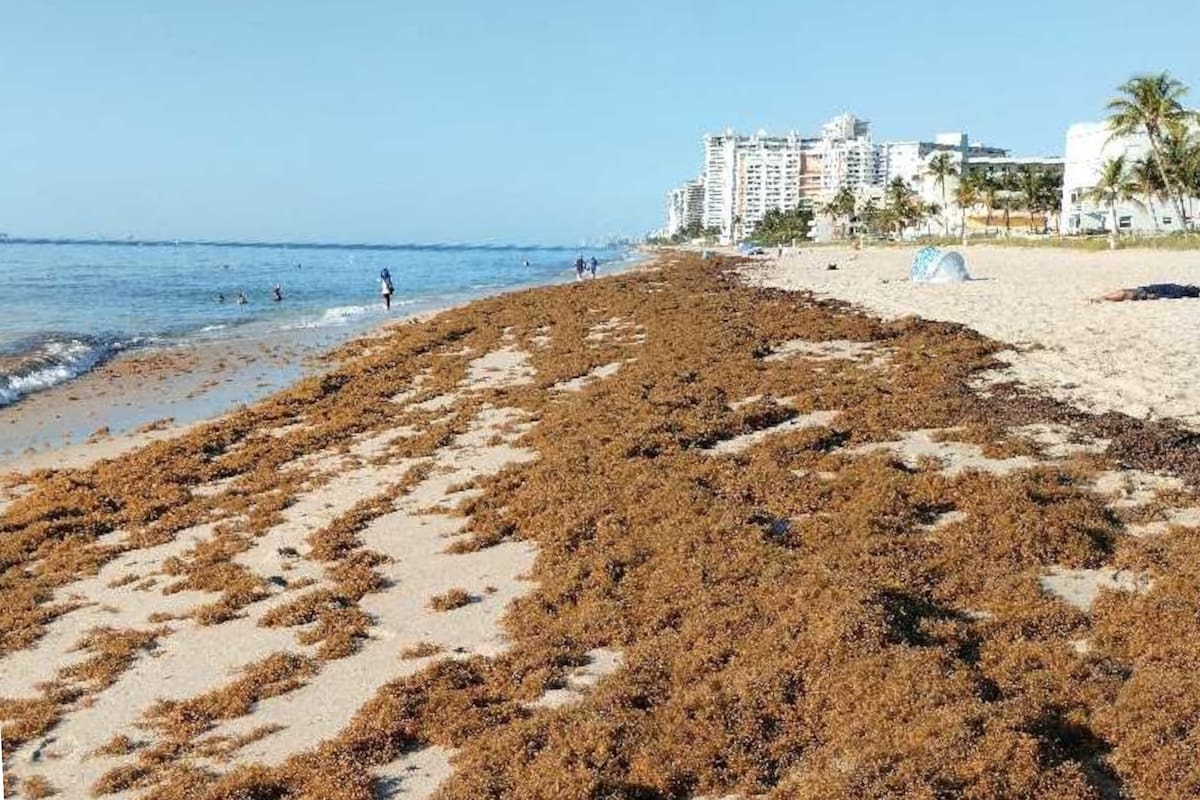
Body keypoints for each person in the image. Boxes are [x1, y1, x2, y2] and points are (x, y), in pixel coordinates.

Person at [1096, 283, 1200, 302]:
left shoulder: (1178, 289)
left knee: (1125, 293)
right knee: (1125, 293)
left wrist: (1154, 296)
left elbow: (1165, 295)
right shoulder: (1178, 290)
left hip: (1147, 291)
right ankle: (1105, 298)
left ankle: (1105, 298)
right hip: (1147, 290)